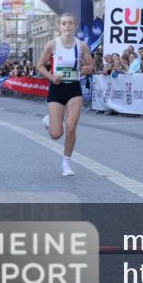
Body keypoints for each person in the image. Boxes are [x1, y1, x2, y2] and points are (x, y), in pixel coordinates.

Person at [37, 13, 94, 176]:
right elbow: (39, 65)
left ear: (75, 27)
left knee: (71, 128)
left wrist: (87, 68)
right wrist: (51, 77)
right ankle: (49, 121)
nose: (67, 26)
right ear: (59, 27)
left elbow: (90, 64)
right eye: (64, 23)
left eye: (70, 23)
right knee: (56, 134)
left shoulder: (81, 46)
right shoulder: (52, 45)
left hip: (74, 89)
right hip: (57, 88)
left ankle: (66, 163)